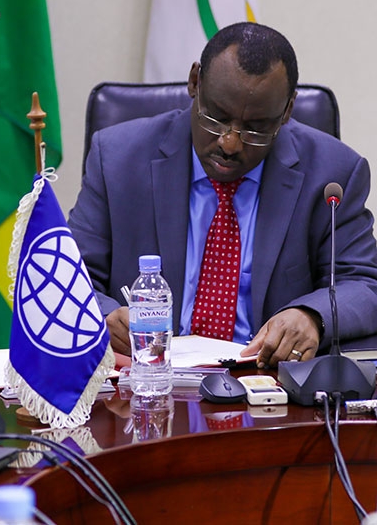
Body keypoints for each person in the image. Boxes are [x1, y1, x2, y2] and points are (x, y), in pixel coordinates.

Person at [68, 22, 377, 368]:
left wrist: (312, 316)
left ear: (288, 110)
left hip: (265, 386)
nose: (230, 144)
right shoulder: (117, 158)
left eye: (257, 128)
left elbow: (365, 285)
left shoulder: (333, 174)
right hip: (148, 381)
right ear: (195, 82)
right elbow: (68, 277)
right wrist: (105, 316)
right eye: (216, 117)